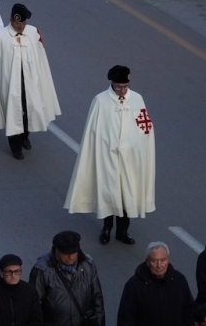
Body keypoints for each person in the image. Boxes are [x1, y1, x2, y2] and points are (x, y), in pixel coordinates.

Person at [64, 65, 155, 245]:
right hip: (107, 157)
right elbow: (93, 131)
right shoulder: (100, 101)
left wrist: (134, 146)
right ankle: (106, 229)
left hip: (130, 159)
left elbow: (145, 129)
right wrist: (107, 145)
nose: (122, 91)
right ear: (111, 84)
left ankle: (123, 231)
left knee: (126, 194)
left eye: (125, 87)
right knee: (108, 193)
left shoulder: (137, 99)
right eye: (118, 87)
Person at [0, 3, 60, 160]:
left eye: (23, 23)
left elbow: (40, 58)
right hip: (10, 83)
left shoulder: (33, 33)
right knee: (13, 112)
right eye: (17, 23)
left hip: (30, 81)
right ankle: (15, 146)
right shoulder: (0, 38)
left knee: (30, 109)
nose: (20, 26)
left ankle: (25, 135)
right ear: (10, 20)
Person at [28, 231, 105, 326]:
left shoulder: (88, 265)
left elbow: (97, 300)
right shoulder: (42, 270)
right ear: (56, 250)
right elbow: (33, 307)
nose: (71, 257)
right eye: (66, 253)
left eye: (74, 252)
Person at [117, 242, 194, 326]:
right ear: (147, 262)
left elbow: (188, 310)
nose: (159, 265)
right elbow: (125, 319)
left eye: (163, 260)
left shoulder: (179, 280)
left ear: (168, 260)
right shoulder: (133, 286)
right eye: (154, 261)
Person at [0, 254, 43, 326]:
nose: (13, 275)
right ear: (1, 272)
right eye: (9, 272)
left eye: (17, 271)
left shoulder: (30, 291)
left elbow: (37, 321)